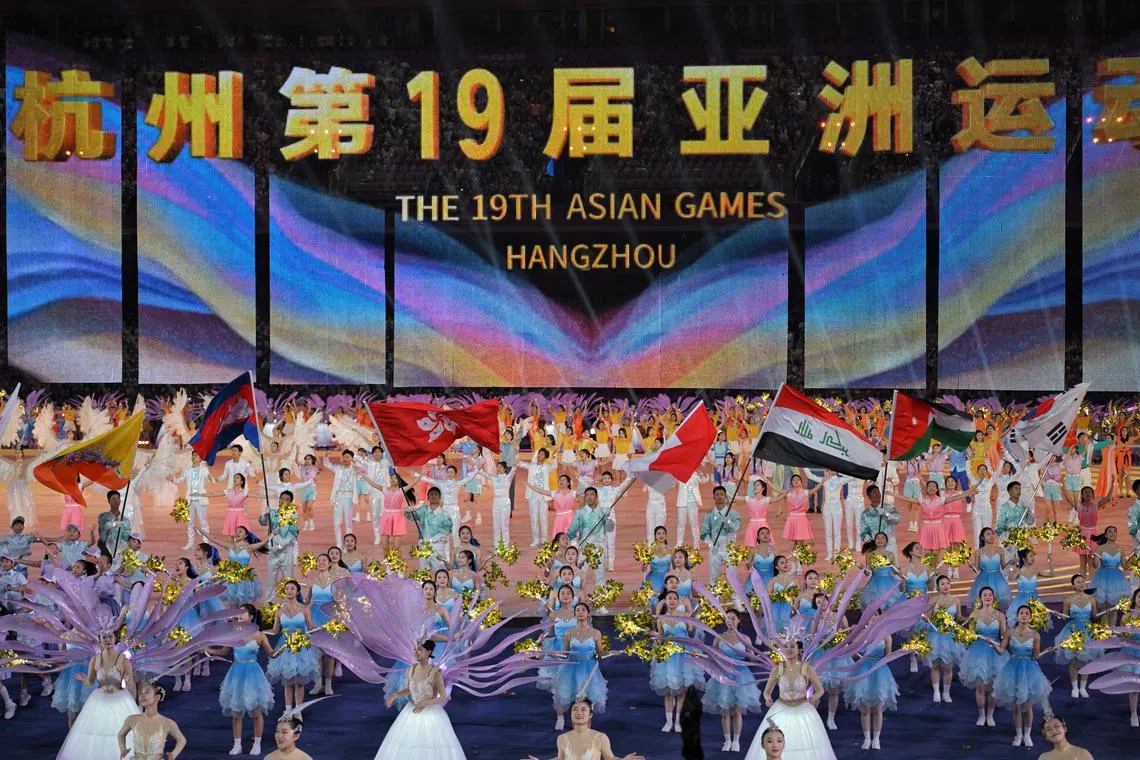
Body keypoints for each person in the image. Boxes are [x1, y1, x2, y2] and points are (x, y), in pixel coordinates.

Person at [56, 631, 140, 759]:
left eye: (110, 636)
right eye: (104, 637)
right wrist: (83, 678)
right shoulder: (95, 659)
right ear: (100, 640)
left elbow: (132, 686)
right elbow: (90, 681)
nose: (108, 640)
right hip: (98, 699)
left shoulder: (124, 660)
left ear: (115, 638)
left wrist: (129, 683)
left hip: (120, 700)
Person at [377, 640, 465, 760]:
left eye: (420, 649)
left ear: (428, 652)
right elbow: (410, 689)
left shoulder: (435, 673)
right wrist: (395, 696)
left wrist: (425, 702)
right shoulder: (411, 670)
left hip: (431, 714)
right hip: (411, 711)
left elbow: (443, 696)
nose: (416, 652)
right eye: (415, 649)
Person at [757, 640, 835, 758]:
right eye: (786, 647)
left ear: (798, 650)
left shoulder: (806, 668)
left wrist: (813, 698)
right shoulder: (778, 668)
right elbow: (766, 692)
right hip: (781, 708)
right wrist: (767, 699)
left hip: (803, 708)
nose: (788, 649)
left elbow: (820, 690)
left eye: (792, 647)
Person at [702, 608, 762, 752]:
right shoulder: (719, 638)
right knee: (725, 710)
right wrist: (701, 654)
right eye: (728, 618)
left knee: (737, 710)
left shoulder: (745, 638)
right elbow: (713, 656)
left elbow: (751, 656)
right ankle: (727, 740)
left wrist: (763, 657)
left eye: (733, 618)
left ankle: (736, 741)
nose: (730, 621)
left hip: (741, 675)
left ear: (738, 620)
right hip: (723, 675)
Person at [220, 604, 275, 756]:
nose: (239, 615)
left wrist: (287, 647)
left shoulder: (260, 635)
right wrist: (205, 649)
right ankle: (237, 744)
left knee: (256, 710)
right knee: (236, 711)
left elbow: (271, 653)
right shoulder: (232, 633)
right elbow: (223, 651)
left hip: (253, 674)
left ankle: (257, 744)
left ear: (250, 616)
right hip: (236, 673)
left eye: (243, 613)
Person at [995, 605, 1053, 748]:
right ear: (1017, 615)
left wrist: (1046, 652)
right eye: (1021, 613)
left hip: (1029, 670)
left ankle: (1027, 734)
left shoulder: (1035, 635)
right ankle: (1018, 734)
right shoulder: (1009, 632)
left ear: (1030, 617)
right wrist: (991, 642)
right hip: (1012, 669)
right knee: (1016, 706)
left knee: (1027, 706)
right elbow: (1002, 650)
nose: (1024, 615)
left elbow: (1035, 655)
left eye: (1027, 613)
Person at [522, 697, 646, 760]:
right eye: (575, 709)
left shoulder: (600, 737)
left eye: (583, 709)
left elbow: (610, 758)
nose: (579, 713)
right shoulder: (562, 738)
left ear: (590, 714)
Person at [651, 591, 703, 733]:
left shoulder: (686, 616)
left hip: (683, 656)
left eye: (675, 598)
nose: (672, 600)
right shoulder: (660, 619)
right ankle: (668, 722)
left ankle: (678, 721)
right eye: (669, 598)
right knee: (668, 691)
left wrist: (694, 626)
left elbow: (691, 634)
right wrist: (655, 637)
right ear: (665, 601)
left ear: (678, 601)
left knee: (681, 690)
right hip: (668, 657)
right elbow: (661, 640)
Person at [117, 682, 187, 760]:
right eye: (141, 693)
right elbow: (121, 734)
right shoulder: (132, 719)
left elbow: (182, 740)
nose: (141, 696)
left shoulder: (167, 723)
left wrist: (174, 754)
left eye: (147, 692)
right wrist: (123, 748)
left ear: (157, 697)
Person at [175, 450, 215, 550]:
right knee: (190, 523)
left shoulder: (204, 469)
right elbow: (179, 480)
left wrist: (210, 478)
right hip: (190, 500)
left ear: (200, 458)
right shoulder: (187, 470)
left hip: (200, 499)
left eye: (196, 455)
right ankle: (191, 543)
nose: (193, 457)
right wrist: (172, 479)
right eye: (193, 455)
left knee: (203, 522)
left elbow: (209, 478)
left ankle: (206, 544)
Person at [700, 485, 741, 580]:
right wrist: (711, 544)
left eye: (722, 494)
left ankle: (735, 594)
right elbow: (703, 533)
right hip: (715, 549)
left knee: (733, 574)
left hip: (730, 548)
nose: (719, 497)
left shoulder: (733, 513)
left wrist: (729, 522)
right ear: (713, 497)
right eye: (717, 494)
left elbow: (738, 528)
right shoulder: (709, 514)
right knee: (714, 574)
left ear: (726, 497)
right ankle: (714, 594)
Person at [857, 485, 899, 556]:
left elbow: (897, 520)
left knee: (893, 566)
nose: (878, 494)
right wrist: (866, 536)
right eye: (874, 492)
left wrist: (886, 514)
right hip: (875, 547)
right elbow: (863, 531)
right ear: (869, 496)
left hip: (889, 546)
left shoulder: (889, 507)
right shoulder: (865, 514)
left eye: (878, 492)